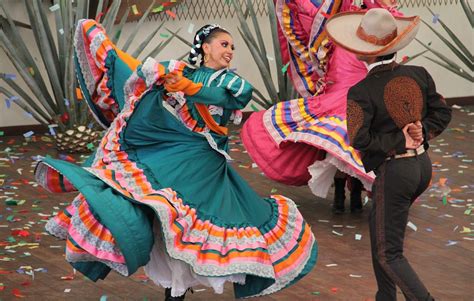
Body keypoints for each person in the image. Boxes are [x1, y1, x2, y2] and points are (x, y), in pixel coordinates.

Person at [35, 20, 317, 300]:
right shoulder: (180, 73)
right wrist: (119, 57)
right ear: (205, 47)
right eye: (223, 44)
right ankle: (172, 288)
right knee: (164, 214)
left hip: (206, 163)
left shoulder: (229, 81)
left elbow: (231, 98)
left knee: (189, 225)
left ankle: (176, 290)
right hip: (181, 154)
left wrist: (187, 87)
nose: (230, 50)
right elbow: (139, 77)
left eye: (232, 46)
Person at [326, 8, 451, 300]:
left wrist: (400, 139)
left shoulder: (361, 91)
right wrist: (420, 132)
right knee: (379, 233)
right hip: (421, 167)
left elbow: (359, 140)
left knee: (388, 253)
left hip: (397, 172)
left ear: (365, 53)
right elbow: (442, 112)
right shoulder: (419, 74)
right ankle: (385, 297)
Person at [241, 0, 402, 209]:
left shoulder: (358, 19)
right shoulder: (339, 22)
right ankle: (347, 193)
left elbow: (387, 21)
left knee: (347, 133)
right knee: (344, 133)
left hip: (355, 68)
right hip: (344, 68)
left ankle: (350, 193)